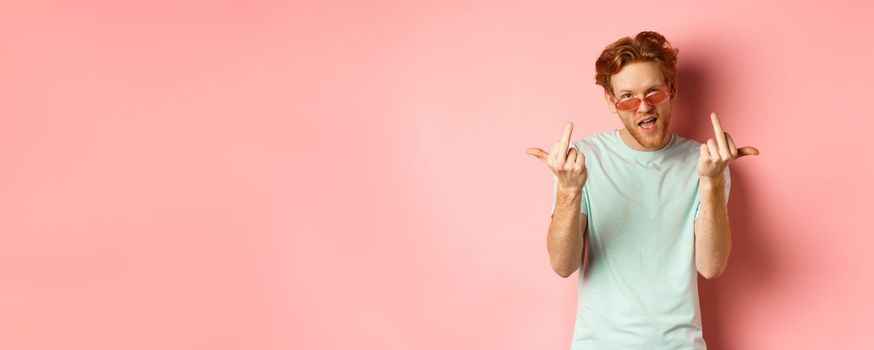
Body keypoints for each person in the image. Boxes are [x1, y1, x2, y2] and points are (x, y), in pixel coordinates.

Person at [525, 31, 759, 349]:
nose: (643, 107)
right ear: (611, 101)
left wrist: (712, 183)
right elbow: (563, 265)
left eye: (654, 93)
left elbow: (711, 266)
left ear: (671, 89)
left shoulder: (706, 162)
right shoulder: (580, 161)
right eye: (628, 97)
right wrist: (569, 190)